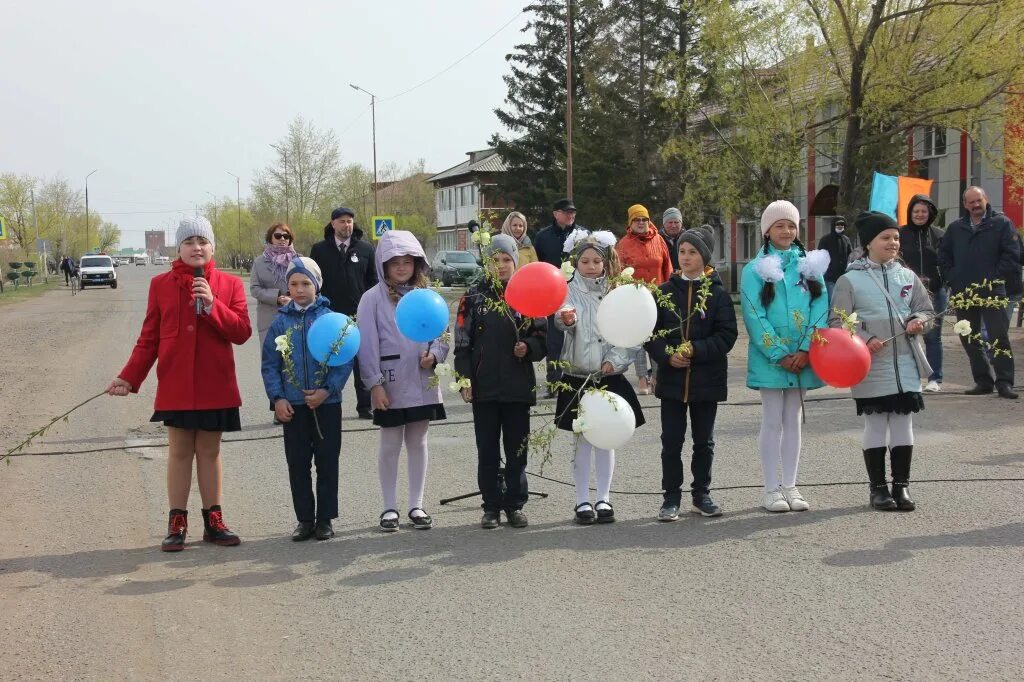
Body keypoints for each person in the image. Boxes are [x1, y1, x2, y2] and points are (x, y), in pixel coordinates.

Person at [106, 216, 251, 551]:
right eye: (189, 242)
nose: (196, 247)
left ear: (212, 247)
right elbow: (149, 338)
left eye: (202, 241)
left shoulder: (229, 285)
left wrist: (214, 304)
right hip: (176, 385)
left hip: (216, 384)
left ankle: (214, 522)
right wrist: (129, 376)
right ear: (179, 248)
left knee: (210, 451)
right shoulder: (160, 285)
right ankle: (177, 522)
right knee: (180, 451)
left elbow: (242, 332)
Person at [831, 212, 933, 511]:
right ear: (868, 244)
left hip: (907, 363)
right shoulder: (850, 280)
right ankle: (878, 489)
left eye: (896, 237)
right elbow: (838, 321)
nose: (893, 242)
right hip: (871, 365)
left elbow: (925, 310)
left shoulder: (907, 276)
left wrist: (918, 320)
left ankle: (901, 487)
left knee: (903, 424)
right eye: (886, 237)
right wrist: (863, 337)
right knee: (876, 423)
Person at [357, 230, 449, 532]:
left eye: (407, 261)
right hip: (391, 382)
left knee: (418, 441)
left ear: (417, 263)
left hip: (423, 381)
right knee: (390, 443)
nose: (401, 267)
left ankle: (416, 505)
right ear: (383, 264)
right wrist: (375, 383)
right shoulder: (371, 299)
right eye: (394, 262)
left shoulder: (427, 295)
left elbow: (443, 334)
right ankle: (389, 507)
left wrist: (435, 355)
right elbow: (367, 345)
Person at [740, 200, 828, 513]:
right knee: (772, 419)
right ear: (767, 230)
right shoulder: (755, 270)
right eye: (780, 225)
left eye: (792, 225)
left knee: (794, 419)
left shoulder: (808, 266)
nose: (787, 231)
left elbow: (820, 309)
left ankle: (791, 485)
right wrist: (778, 352)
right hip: (770, 358)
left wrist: (806, 348)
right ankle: (770, 488)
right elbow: (753, 314)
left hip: (803, 355)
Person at [454, 234, 546, 529]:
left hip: (518, 387)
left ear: (516, 262)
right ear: (487, 262)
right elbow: (462, 344)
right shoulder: (473, 297)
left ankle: (515, 504)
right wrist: (465, 379)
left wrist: (528, 347)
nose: (502, 265)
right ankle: (491, 505)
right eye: (496, 260)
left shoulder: (528, 294)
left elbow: (543, 339)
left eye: (507, 260)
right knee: (488, 450)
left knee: (517, 449)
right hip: (485, 388)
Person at [554, 230, 646, 525]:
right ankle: (582, 500)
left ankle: (604, 498)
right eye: (585, 261)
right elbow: (558, 317)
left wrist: (614, 360)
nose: (591, 266)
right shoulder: (565, 290)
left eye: (596, 261)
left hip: (608, 375)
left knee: (606, 439)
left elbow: (633, 333)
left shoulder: (618, 291)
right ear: (576, 263)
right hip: (577, 374)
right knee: (582, 440)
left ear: (606, 263)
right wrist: (563, 320)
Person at [646, 227, 737, 521]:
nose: (685, 257)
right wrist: (667, 356)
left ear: (705, 257)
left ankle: (702, 494)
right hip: (672, 381)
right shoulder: (663, 292)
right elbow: (651, 334)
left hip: (705, 381)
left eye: (692, 252)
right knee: (671, 440)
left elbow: (726, 335)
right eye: (682, 251)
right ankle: (670, 497)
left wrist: (695, 350)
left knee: (703, 441)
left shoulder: (718, 294)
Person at [261, 257, 353, 541]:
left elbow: (344, 358)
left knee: (327, 461)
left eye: (305, 283)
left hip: (326, 404)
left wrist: (328, 390)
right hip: (293, 406)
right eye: (293, 284)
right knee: (298, 463)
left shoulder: (330, 319)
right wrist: (278, 398)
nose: (299, 290)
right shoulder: (280, 323)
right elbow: (270, 364)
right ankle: (304, 519)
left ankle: (325, 519)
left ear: (317, 285)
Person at [938, 186, 1019, 399]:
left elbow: (1012, 255)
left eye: (978, 200)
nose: (975, 205)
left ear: (986, 199)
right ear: (965, 204)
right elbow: (944, 255)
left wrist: (994, 277)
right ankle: (983, 381)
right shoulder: (956, 228)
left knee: (998, 337)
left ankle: (1005, 383)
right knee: (969, 337)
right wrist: (953, 277)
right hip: (964, 292)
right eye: (971, 202)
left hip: (993, 292)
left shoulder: (1001, 224)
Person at [310, 206, 378, 418]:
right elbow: (315, 283)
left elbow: (373, 281)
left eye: (349, 221)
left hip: (359, 315)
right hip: (329, 317)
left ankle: (365, 405)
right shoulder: (320, 250)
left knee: (362, 361)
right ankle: (327, 402)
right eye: (342, 221)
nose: (346, 225)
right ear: (333, 224)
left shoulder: (366, 249)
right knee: (329, 361)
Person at [616, 204, 673, 395]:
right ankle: (642, 378)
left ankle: (657, 377)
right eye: (637, 220)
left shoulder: (659, 240)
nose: (641, 223)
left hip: (658, 296)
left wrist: (669, 290)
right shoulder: (623, 244)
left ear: (649, 221)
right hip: (635, 299)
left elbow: (668, 267)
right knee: (639, 340)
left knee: (657, 336)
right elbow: (618, 273)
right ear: (630, 223)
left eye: (644, 219)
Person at [534, 198, 588, 395]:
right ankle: (554, 382)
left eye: (573, 212)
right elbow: (537, 265)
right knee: (555, 340)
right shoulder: (543, 237)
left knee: (580, 335)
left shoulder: (583, 235)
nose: (571, 215)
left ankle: (580, 380)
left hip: (579, 292)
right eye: (566, 212)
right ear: (556, 213)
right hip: (552, 294)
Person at [899, 195, 946, 392]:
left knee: (933, 336)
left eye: (924, 211)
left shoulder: (939, 235)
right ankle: (908, 378)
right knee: (904, 335)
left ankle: (935, 379)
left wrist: (943, 280)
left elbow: (947, 261)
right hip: (906, 292)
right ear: (910, 213)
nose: (919, 215)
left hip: (936, 291)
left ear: (930, 214)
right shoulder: (899, 234)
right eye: (916, 211)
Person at [250, 223, 298, 346]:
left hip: (295, 316)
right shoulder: (259, 262)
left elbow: (309, 286)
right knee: (270, 361)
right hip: (268, 319)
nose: (282, 239)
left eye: (286, 236)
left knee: (294, 360)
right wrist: (275, 298)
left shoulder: (299, 260)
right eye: (278, 236)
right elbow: (254, 289)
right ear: (270, 238)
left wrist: (292, 299)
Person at [817, 217, 853, 300]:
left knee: (842, 301)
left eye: (842, 224)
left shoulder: (846, 239)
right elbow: (819, 257)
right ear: (833, 225)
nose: (840, 226)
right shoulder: (825, 239)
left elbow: (850, 255)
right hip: (829, 278)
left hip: (843, 277)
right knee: (832, 301)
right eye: (838, 224)